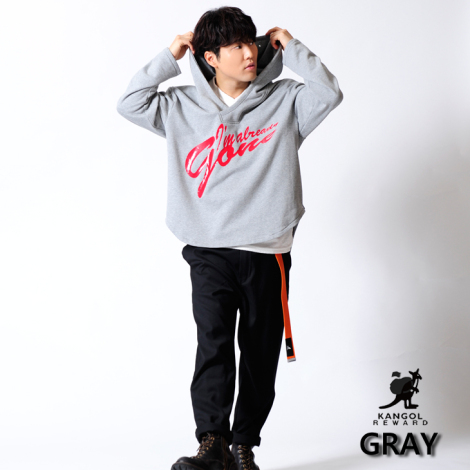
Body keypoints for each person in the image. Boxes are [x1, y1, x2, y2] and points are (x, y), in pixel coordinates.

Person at [116, 6, 343, 470]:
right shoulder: (181, 106)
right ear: (210, 57)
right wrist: (170, 54)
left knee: (259, 352)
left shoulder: (286, 100)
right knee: (213, 345)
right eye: (235, 46)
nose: (248, 53)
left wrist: (291, 45)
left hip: (267, 251)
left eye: (250, 42)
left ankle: (243, 447)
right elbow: (130, 102)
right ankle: (213, 443)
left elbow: (329, 92)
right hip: (208, 249)